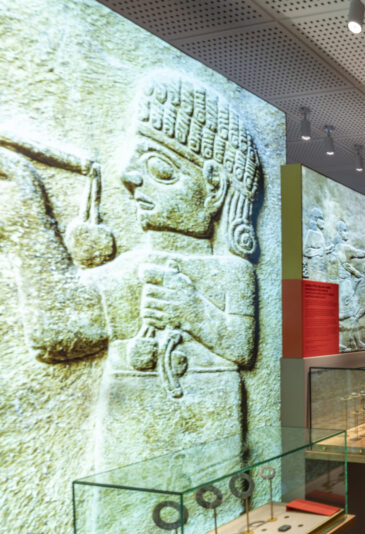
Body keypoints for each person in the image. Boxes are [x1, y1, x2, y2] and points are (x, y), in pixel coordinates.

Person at [0, 73, 263, 468]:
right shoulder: (133, 270)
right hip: (134, 454)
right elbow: (57, 330)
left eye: (159, 167)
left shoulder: (233, 272)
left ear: (213, 188)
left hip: (215, 440)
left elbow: (242, 348)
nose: (130, 178)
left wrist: (193, 311)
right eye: (134, 162)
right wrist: (27, 209)